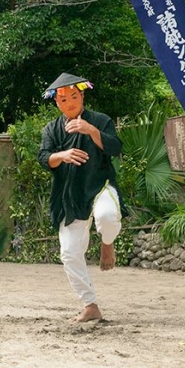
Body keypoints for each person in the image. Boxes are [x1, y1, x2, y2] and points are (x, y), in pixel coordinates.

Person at [37, 73, 127, 323]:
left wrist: (90, 130)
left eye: (74, 97)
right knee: (69, 253)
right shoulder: (52, 129)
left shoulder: (100, 120)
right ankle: (90, 304)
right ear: (57, 102)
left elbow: (115, 147)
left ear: (82, 95)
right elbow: (44, 157)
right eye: (63, 100)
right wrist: (62, 155)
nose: (70, 103)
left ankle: (107, 243)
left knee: (107, 216)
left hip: (100, 185)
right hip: (69, 193)